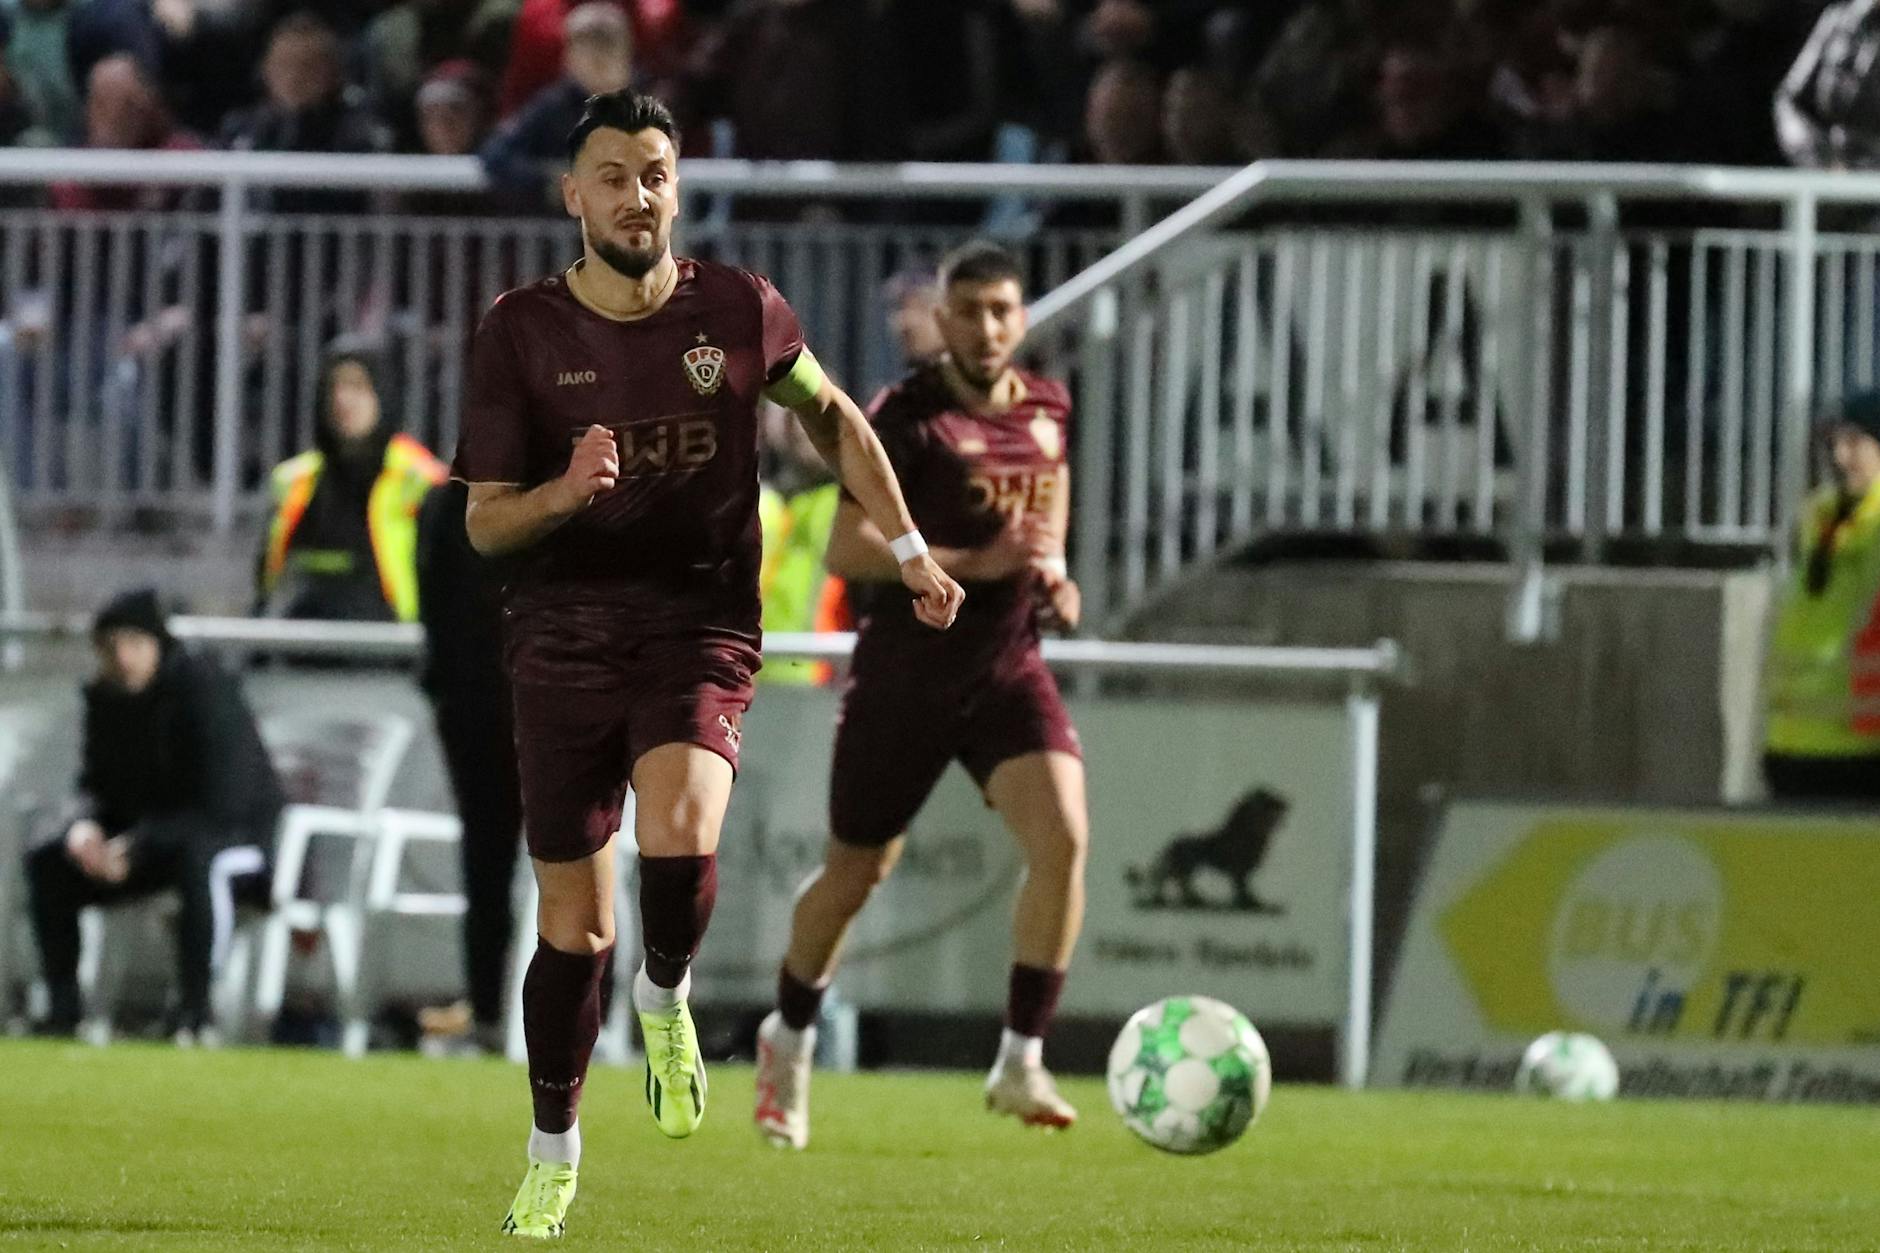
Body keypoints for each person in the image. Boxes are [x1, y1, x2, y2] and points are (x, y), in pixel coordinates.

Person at [451, 89, 962, 1238]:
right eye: (614, 175)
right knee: (573, 923)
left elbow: (834, 418)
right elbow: (484, 522)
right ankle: (552, 1150)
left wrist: (910, 548)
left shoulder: (737, 309)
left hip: (699, 625)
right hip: (561, 634)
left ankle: (666, 990)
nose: (638, 194)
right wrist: (564, 492)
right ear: (572, 195)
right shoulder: (519, 330)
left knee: (682, 827)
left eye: (656, 173)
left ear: (676, 189)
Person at [752, 241, 1087, 1150]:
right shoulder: (905, 416)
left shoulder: (1050, 409)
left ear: (1022, 318)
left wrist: (1056, 580)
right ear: (942, 321)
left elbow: (1048, 518)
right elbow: (848, 548)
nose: (986, 327)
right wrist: (979, 561)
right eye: (968, 311)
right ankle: (788, 1036)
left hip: (1007, 669)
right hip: (906, 678)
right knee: (855, 873)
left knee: (1063, 839)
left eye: (1001, 310)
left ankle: (1020, 1057)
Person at [23, 589, 285, 1043]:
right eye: (111, 647)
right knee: (49, 862)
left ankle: (195, 1013)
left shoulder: (206, 692)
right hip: (148, 846)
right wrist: (84, 828)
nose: (123, 659)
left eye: (134, 644)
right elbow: (96, 785)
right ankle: (62, 1009)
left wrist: (137, 844)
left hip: (236, 840)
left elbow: (222, 804)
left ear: (157, 645)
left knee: (201, 862)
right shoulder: (107, 702)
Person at [413, 479, 524, 1054]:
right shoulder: (445, 504)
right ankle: (488, 1011)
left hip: (539, 710)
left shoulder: (567, 486)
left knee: (566, 869)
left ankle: (573, 1012)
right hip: (481, 713)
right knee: (490, 866)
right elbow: (435, 613)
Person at [256, 338, 449, 624]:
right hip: (299, 636)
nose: (342, 399)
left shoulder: (422, 480)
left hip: (393, 638)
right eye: (333, 387)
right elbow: (266, 573)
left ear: (382, 392)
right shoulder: (295, 479)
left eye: (358, 386)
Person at [1762, 391, 1880, 801]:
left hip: (1862, 752)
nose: (1840, 456)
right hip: (1790, 745)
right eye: (1834, 443)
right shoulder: (1818, 517)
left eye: (1855, 442)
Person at [757, 401, 848, 686]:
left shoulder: (852, 506)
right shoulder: (773, 505)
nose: (800, 430)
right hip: (766, 673)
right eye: (793, 419)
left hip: (827, 673)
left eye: (814, 419)